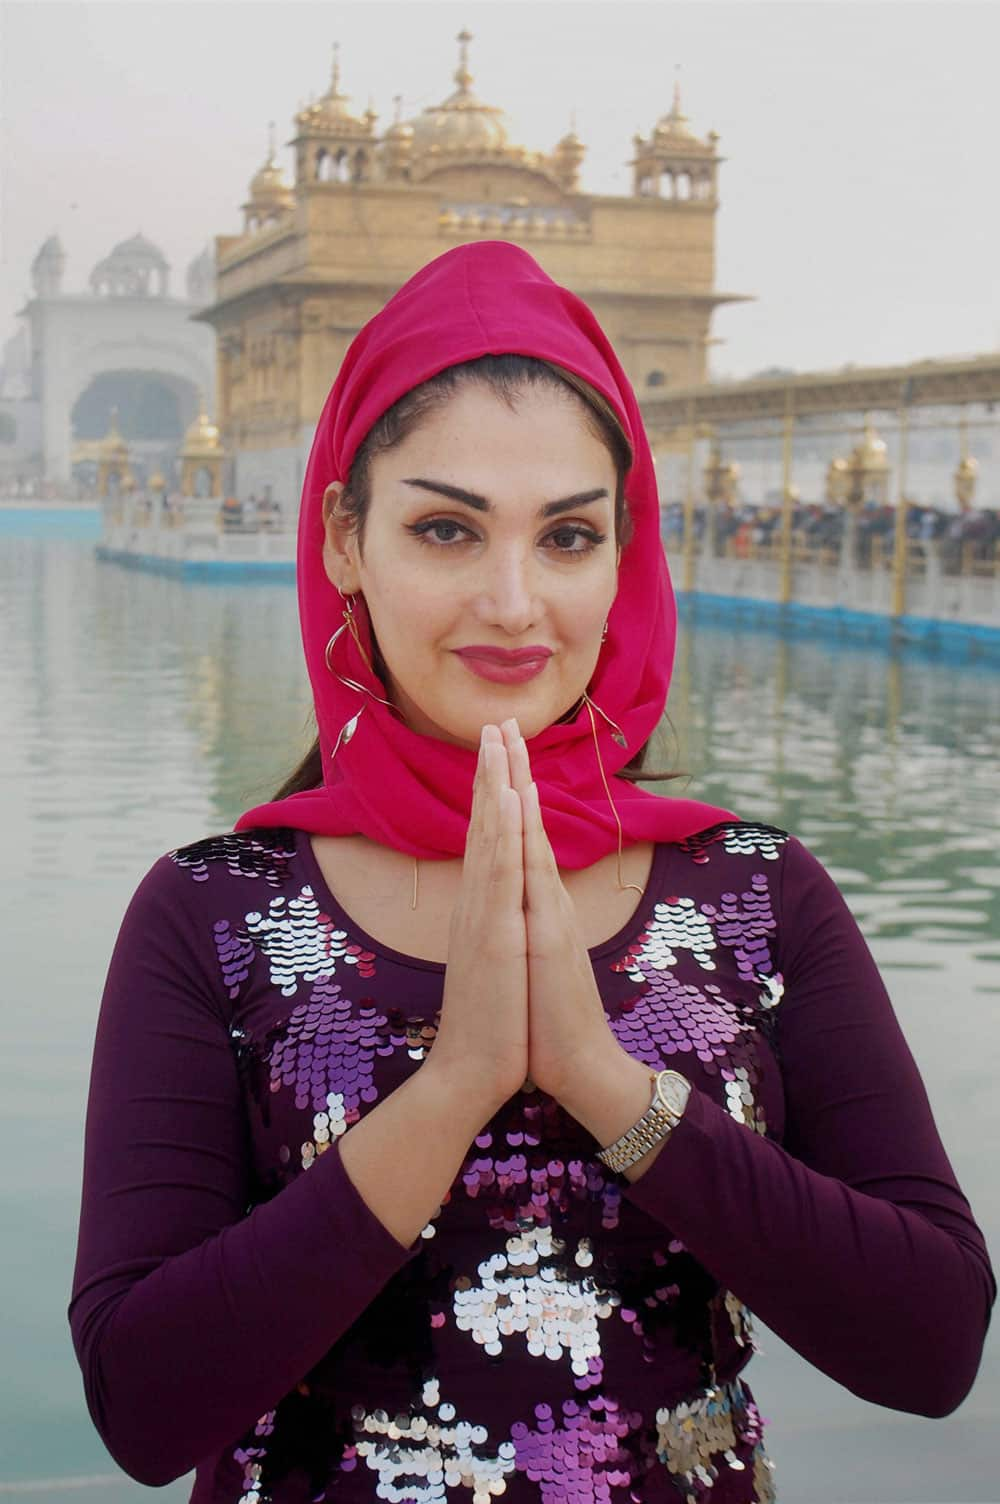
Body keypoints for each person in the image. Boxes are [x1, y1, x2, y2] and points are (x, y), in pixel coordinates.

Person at [69, 243, 994, 1504]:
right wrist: (450, 1090)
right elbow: (141, 1407)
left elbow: (933, 1343)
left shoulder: (754, 893)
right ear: (345, 536)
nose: (513, 602)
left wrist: (606, 1082)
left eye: (567, 536)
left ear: (625, 555)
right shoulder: (219, 911)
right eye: (445, 528)